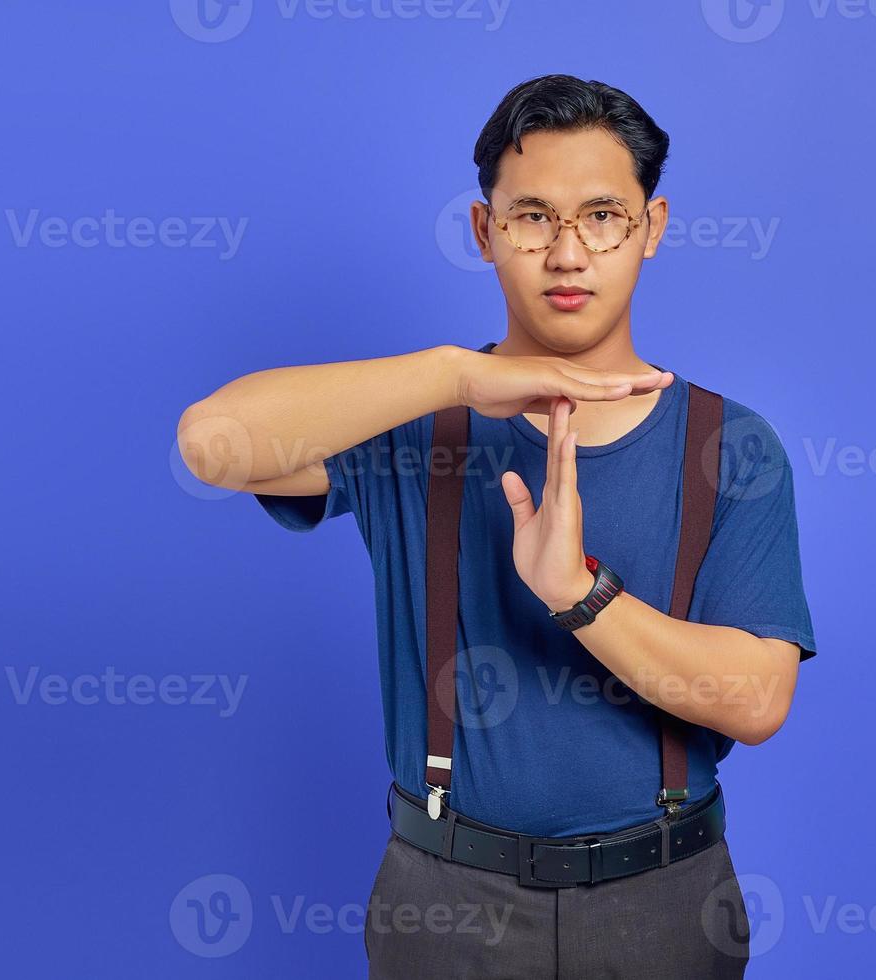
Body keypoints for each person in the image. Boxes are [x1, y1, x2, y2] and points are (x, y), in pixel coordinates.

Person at [177, 72, 817, 979]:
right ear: (485, 233)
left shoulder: (731, 448)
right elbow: (210, 444)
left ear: (653, 228)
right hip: (445, 901)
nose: (567, 253)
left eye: (602, 215)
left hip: (664, 899)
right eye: (531, 217)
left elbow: (758, 701)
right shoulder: (413, 425)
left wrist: (579, 594)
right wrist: (454, 377)